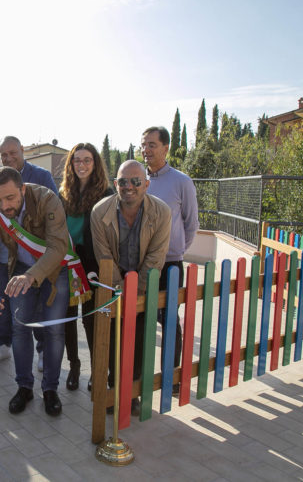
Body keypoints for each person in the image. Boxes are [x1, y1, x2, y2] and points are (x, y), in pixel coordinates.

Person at [0, 167, 69, 416]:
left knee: (54, 330)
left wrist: (32, 276)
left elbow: (58, 247)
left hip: (55, 270)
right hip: (20, 269)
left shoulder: (47, 199)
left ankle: (50, 389)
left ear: (23, 189)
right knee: (19, 327)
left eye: (10, 198)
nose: (4, 206)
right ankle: (24, 387)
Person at [91, 160, 171, 415]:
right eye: (123, 181)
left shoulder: (162, 212)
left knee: (140, 339)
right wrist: (120, 289)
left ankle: (133, 393)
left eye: (136, 181)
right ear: (116, 184)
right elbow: (103, 256)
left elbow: (156, 257)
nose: (129, 187)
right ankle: (113, 388)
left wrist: (137, 291)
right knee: (112, 338)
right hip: (113, 284)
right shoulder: (99, 212)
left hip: (145, 284)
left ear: (146, 184)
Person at [0, 136, 56, 368]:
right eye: (4, 155)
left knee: (39, 309)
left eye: (13, 153)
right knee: (2, 305)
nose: (9, 158)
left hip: (35, 258)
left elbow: (55, 214)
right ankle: (2, 344)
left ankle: (43, 350)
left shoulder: (42, 176)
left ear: (22, 150)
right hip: (4, 256)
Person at [141, 126, 199, 395]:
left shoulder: (181, 182)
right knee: (141, 319)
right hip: (140, 264)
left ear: (166, 148)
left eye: (152, 145)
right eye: (144, 145)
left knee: (169, 321)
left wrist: (175, 251)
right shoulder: (137, 179)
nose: (146, 150)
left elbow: (191, 223)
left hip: (170, 266)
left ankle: (171, 378)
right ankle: (139, 376)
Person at [58, 143, 114, 391]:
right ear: (71, 164)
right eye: (77, 160)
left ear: (95, 163)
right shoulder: (63, 193)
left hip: (93, 266)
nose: (81, 165)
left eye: (87, 160)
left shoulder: (106, 194)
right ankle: (74, 367)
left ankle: (97, 370)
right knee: (67, 318)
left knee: (91, 320)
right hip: (67, 263)